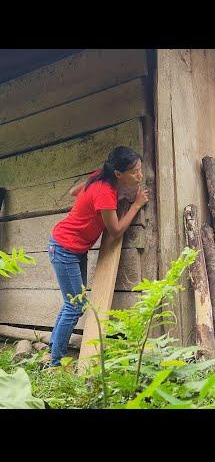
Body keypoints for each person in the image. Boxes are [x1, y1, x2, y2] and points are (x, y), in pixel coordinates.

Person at [46, 146, 149, 367]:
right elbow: (116, 230)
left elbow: (75, 191)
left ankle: (51, 350)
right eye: (135, 172)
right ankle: (55, 363)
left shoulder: (100, 177)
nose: (140, 175)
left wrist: (90, 194)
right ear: (119, 174)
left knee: (71, 304)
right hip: (64, 248)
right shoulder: (105, 191)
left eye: (140, 169)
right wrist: (137, 205)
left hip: (74, 249)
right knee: (75, 306)